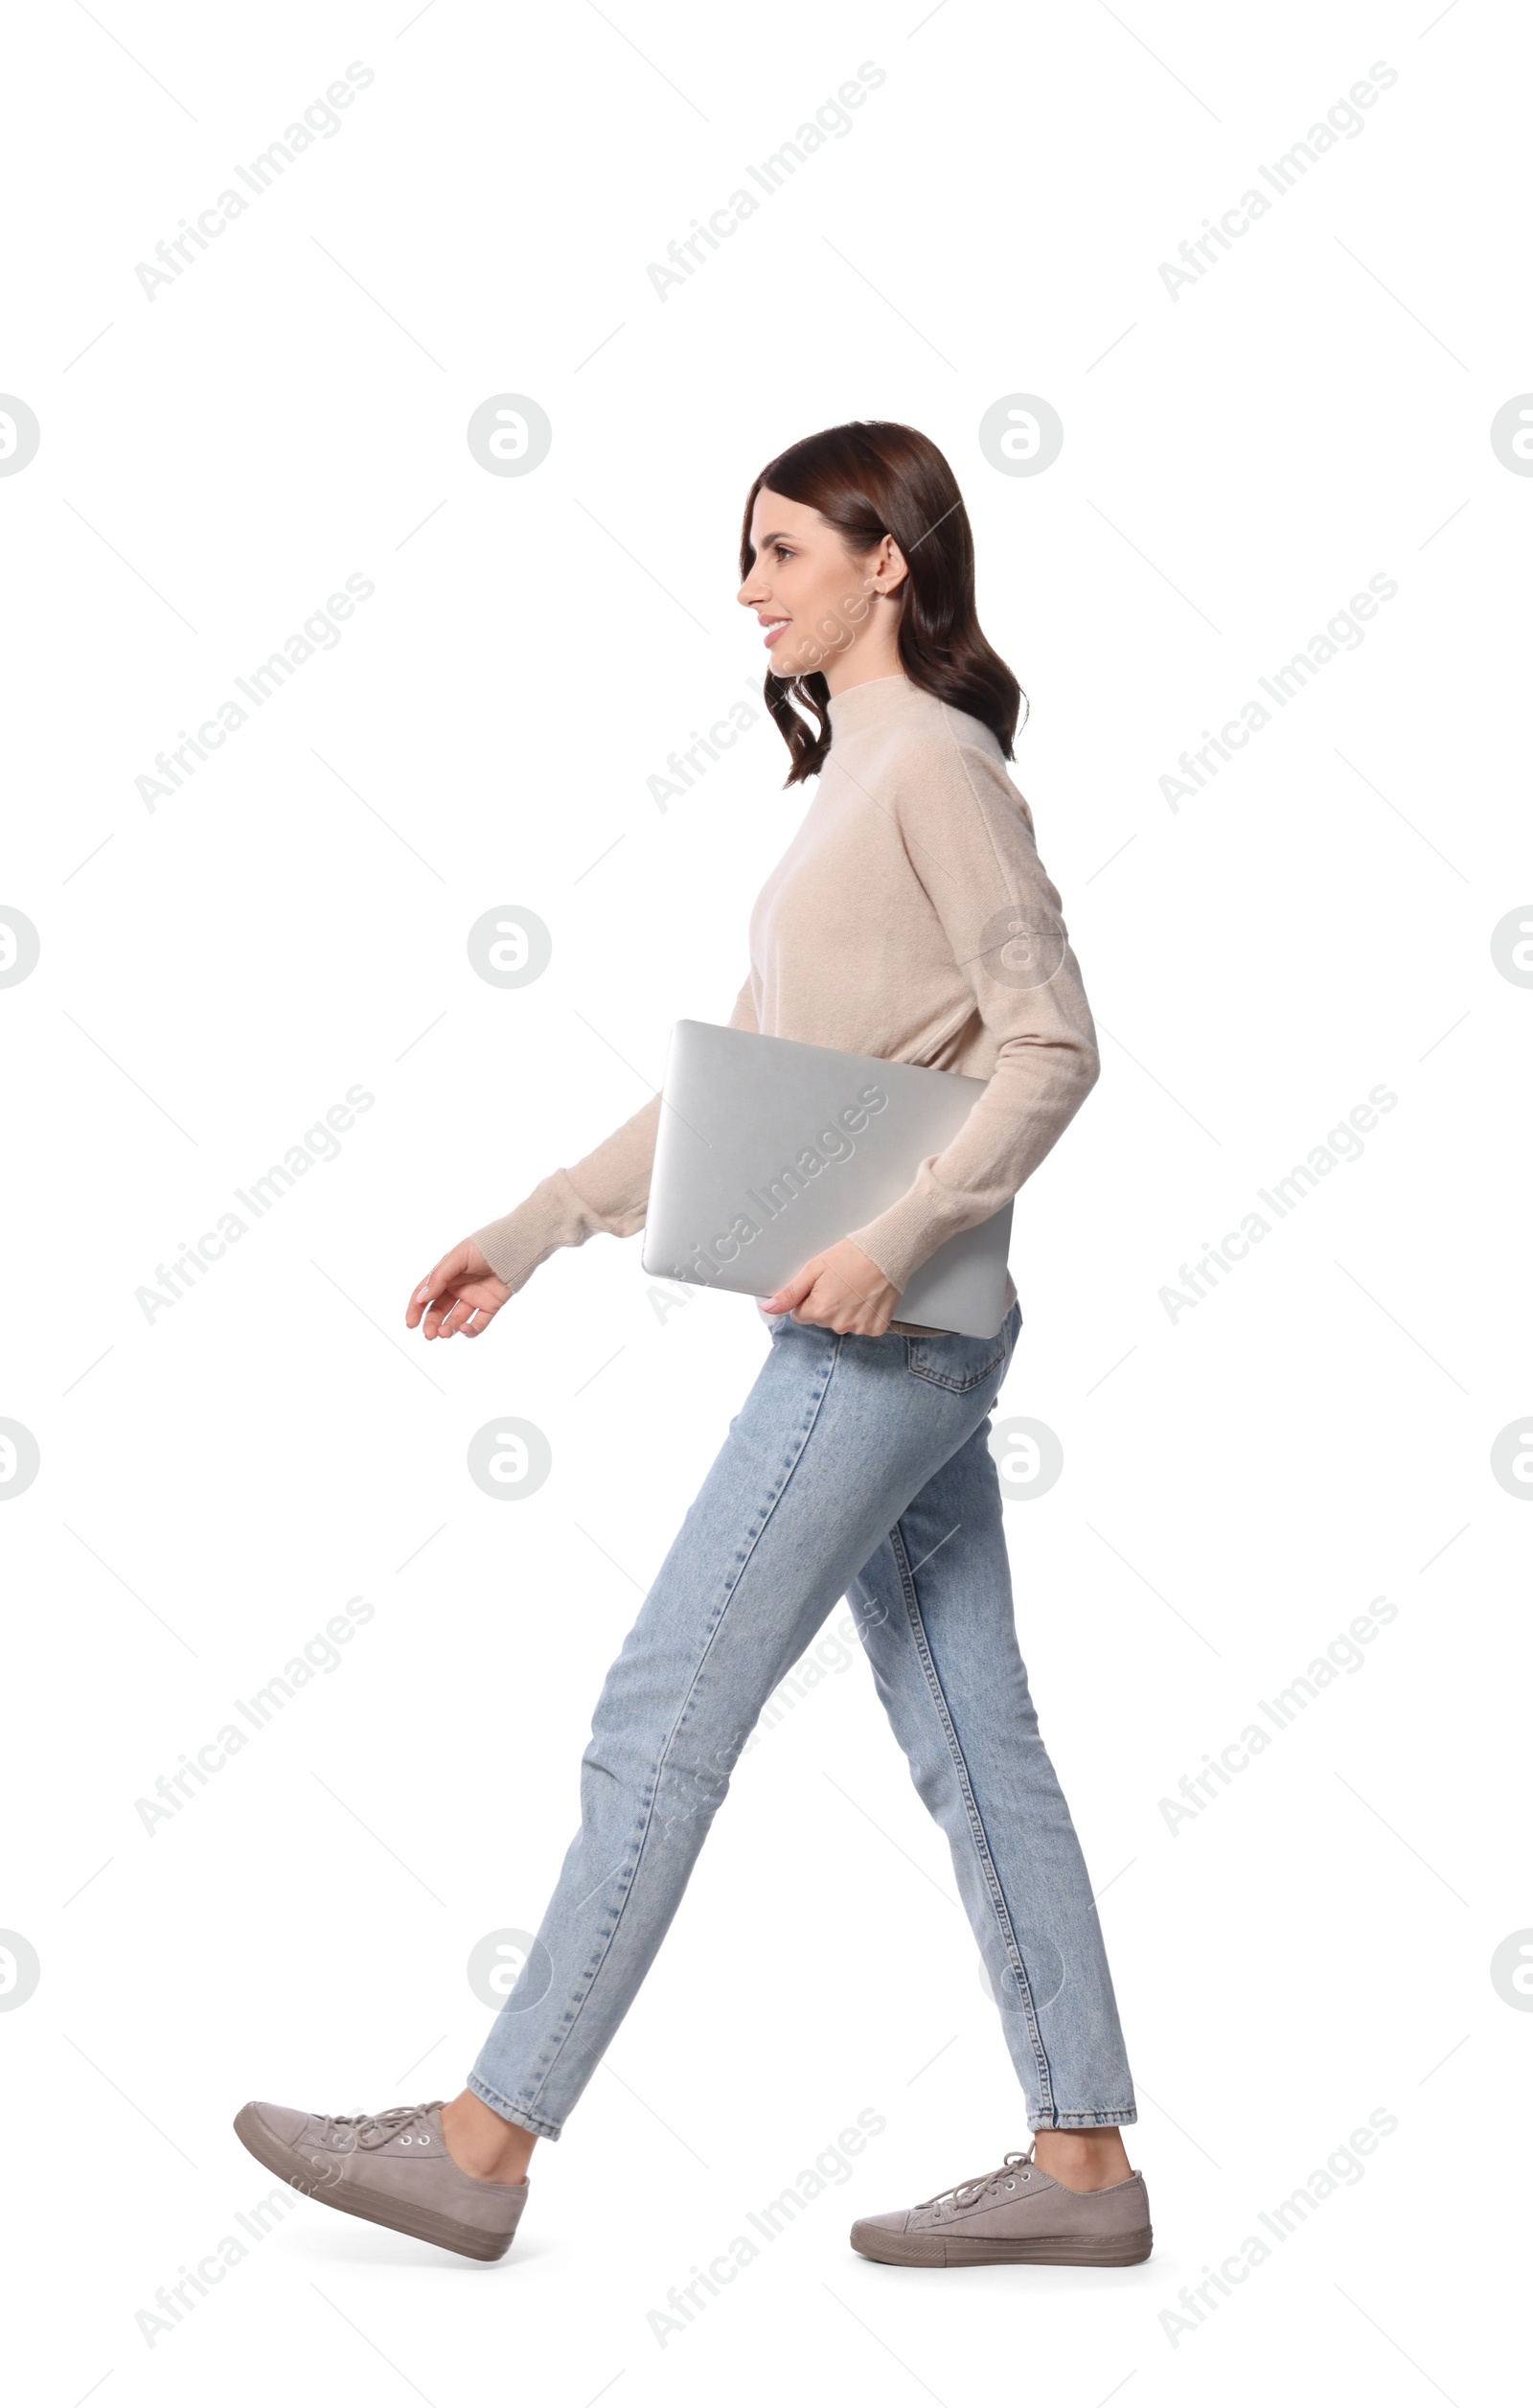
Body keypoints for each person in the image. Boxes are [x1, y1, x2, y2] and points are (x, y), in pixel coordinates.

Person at [235, 420, 1152, 2271]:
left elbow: (1054, 1042)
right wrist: (532, 1224)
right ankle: (1080, 2170)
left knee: (662, 1711)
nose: (747, 589)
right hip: (905, 1339)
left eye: (781, 552)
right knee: (982, 1740)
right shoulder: (855, 777)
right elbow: (737, 1087)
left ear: (887, 559)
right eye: (747, 556)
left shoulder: (939, 770)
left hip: (886, 1341)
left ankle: (481, 2142)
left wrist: (894, 1240)